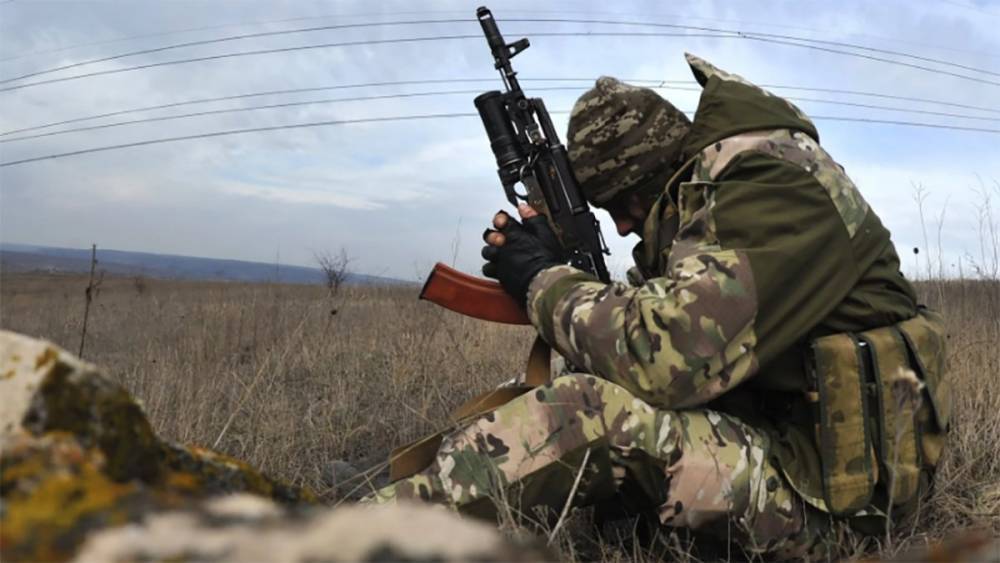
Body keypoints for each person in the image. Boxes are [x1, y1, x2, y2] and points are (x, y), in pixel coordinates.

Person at [369, 53, 950, 559]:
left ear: (660, 177)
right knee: (558, 390)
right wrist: (564, 272)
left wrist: (544, 281)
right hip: (785, 453)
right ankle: (402, 486)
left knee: (588, 410)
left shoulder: (774, 184)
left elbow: (660, 361)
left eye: (625, 205)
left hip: (837, 512)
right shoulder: (722, 195)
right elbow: (656, 323)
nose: (623, 227)